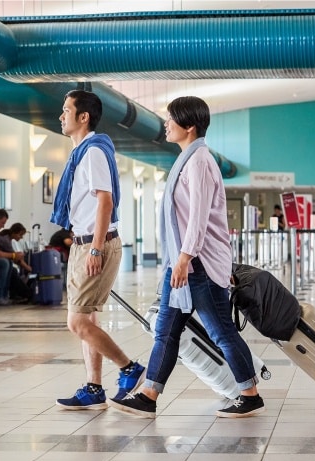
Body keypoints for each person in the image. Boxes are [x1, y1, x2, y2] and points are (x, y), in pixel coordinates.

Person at [109, 96, 265, 419]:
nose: (166, 124)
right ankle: (149, 396)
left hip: (197, 266)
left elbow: (198, 218)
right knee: (166, 331)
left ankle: (249, 394)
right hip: (182, 264)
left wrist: (183, 258)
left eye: (171, 119)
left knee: (221, 331)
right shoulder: (188, 160)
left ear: (189, 126)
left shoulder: (200, 162)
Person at [51, 89, 145, 410]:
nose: (61, 116)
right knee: (88, 320)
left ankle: (129, 368)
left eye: (66, 110)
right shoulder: (83, 152)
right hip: (85, 242)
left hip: (96, 244)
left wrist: (94, 250)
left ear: (83, 117)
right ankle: (94, 388)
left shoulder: (92, 153)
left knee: (76, 323)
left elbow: (105, 201)